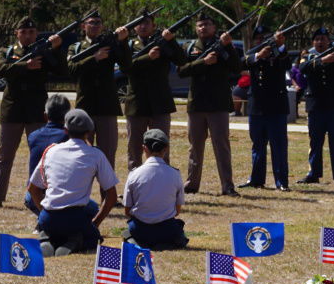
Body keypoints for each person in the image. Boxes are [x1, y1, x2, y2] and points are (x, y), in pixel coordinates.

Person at [0, 17, 65, 209]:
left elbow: (62, 70)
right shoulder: (7, 51)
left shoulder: (44, 52)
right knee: (4, 156)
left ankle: (37, 197)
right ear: (17, 33)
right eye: (24, 32)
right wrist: (25, 66)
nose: (28, 35)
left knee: (42, 156)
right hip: (13, 109)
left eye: (32, 32)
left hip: (36, 110)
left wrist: (57, 49)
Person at [27, 108, 118, 255]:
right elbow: (112, 196)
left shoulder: (51, 151)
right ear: (89, 131)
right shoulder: (95, 155)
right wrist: (95, 224)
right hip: (76, 218)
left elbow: (32, 189)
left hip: (49, 217)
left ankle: (48, 239)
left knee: (77, 215)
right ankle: (76, 241)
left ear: (65, 130)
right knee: (93, 236)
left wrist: (44, 212)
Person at [177, 14, 241, 196]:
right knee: (195, 146)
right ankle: (191, 184)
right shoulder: (189, 47)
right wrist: (203, 62)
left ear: (214, 27)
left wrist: (228, 46)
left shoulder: (224, 45)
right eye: (199, 25)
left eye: (206, 24)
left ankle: (227, 186)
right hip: (196, 103)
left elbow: (237, 68)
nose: (203, 28)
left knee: (221, 146)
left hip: (218, 103)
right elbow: (181, 70)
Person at [66, 13, 130, 167]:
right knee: (82, 153)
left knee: (108, 154)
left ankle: (107, 191)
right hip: (85, 104)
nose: (95, 25)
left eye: (98, 23)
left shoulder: (109, 44)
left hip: (107, 105)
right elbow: (71, 70)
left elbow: (127, 65)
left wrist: (123, 42)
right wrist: (94, 58)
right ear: (83, 26)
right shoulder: (76, 48)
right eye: (91, 22)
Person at [123, 12, 183, 171]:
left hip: (160, 102)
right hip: (137, 103)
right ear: (134, 27)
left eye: (147, 23)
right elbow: (125, 67)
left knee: (162, 144)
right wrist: (147, 58)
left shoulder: (163, 43)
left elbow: (182, 60)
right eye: (139, 23)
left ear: (154, 26)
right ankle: (134, 181)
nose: (143, 26)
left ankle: (163, 179)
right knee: (134, 147)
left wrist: (172, 41)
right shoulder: (128, 45)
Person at [299, 27, 334, 185]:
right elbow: (303, 68)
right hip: (316, 106)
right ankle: (313, 173)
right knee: (315, 142)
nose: (320, 42)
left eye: (323, 39)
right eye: (317, 39)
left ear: (329, 41)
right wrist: (323, 60)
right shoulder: (307, 56)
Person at [239, 25, 292, 191]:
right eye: (258, 39)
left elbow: (287, 64)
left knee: (279, 146)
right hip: (257, 106)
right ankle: (256, 179)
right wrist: (258, 56)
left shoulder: (279, 53)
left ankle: (281, 181)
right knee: (258, 144)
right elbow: (241, 63)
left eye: (265, 38)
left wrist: (281, 45)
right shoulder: (253, 55)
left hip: (276, 106)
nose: (261, 42)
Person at [122, 128, 188, 250]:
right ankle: (168, 243)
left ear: (144, 148)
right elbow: (177, 210)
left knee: (128, 232)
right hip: (167, 230)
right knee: (178, 228)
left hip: (140, 230)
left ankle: (138, 243)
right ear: (166, 149)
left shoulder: (134, 174)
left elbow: (127, 210)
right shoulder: (175, 174)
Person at [22, 94, 70, 214]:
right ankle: (47, 220)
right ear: (67, 117)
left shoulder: (33, 136)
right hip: (59, 196)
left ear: (45, 115)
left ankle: (43, 219)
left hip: (33, 196)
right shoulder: (68, 137)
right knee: (91, 208)